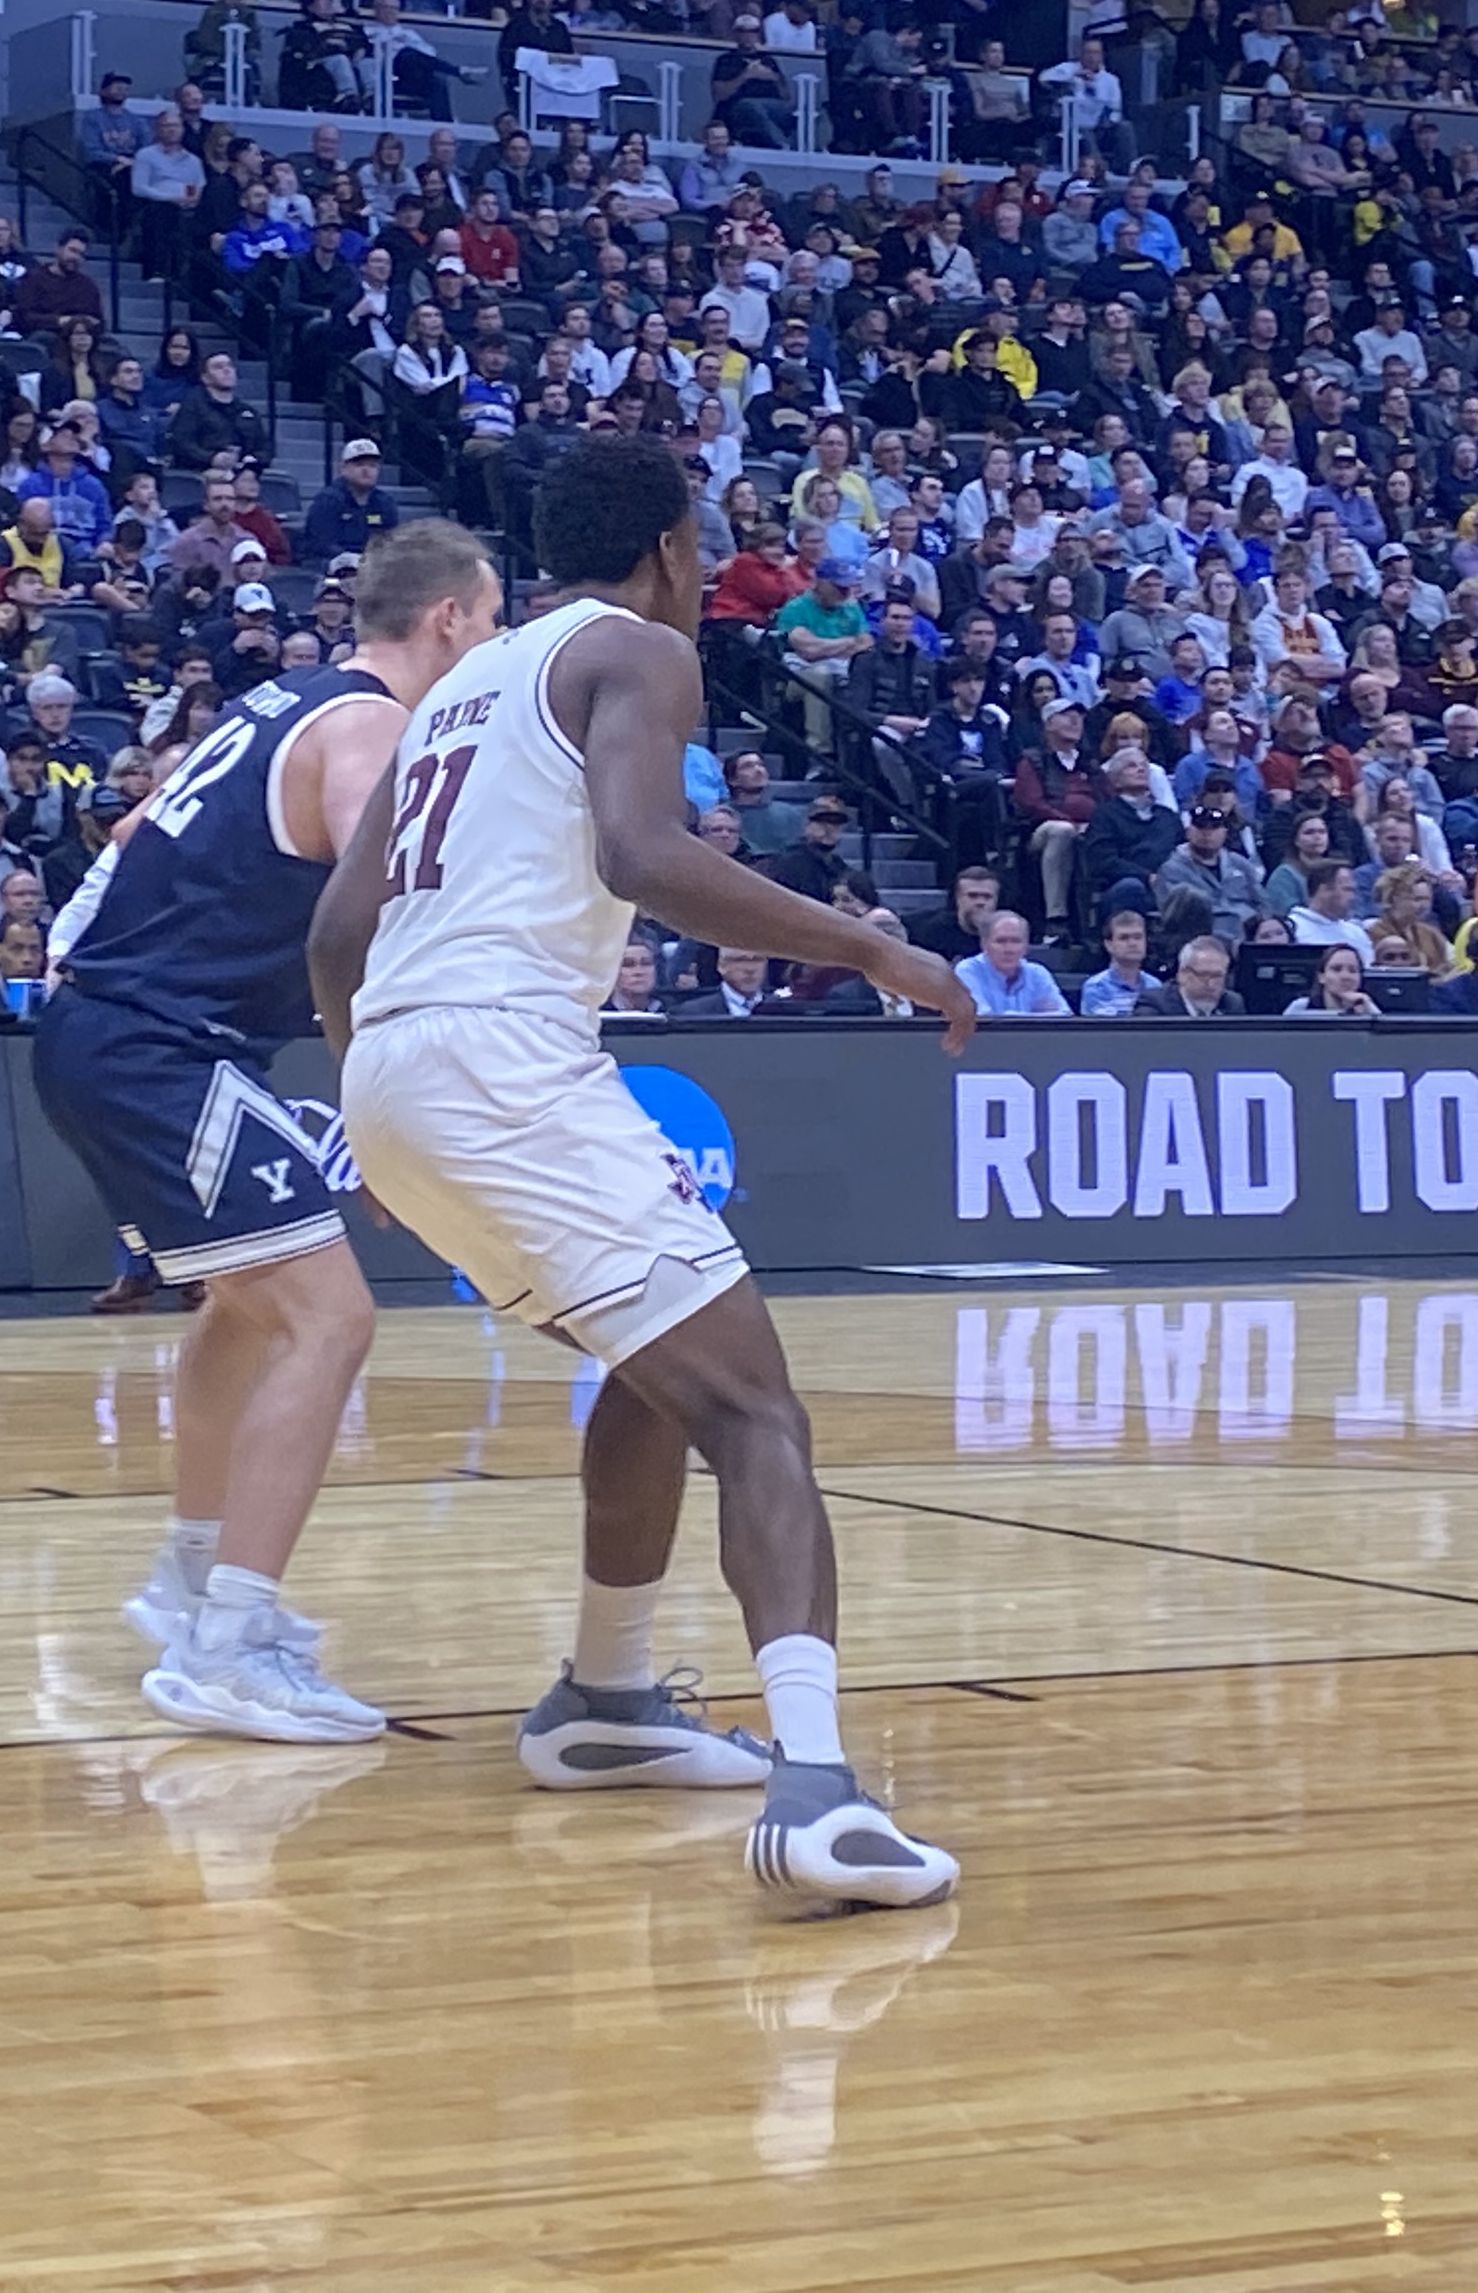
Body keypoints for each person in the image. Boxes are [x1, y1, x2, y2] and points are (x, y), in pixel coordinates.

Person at [312, 433, 978, 1911]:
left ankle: (606, 1702)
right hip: (500, 1055)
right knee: (757, 1411)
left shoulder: (446, 697)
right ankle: (818, 1796)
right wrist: (871, 944)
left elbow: (336, 937)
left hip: (397, 1062)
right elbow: (640, 854)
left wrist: (374, 1097)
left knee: (657, 1360)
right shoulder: (635, 652)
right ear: (674, 548)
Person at [31, 518, 501, 1744]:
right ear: (449, 619)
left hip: (113, 1032)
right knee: (330, 1319)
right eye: (491, 622)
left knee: (248, 1312)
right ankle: (232, 1646)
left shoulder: (275, 700)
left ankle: (192, 1583)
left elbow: (135, 833)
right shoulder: (374, 729)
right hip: (158, 1046)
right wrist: (393, 1107)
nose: (493, 645)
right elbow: (378, 915)